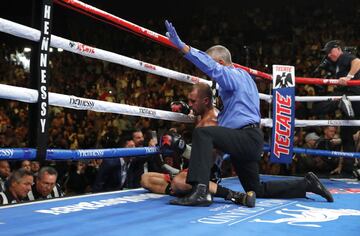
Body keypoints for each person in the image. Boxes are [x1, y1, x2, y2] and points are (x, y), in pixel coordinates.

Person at [164, 20, 334, 206]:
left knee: (203, 133)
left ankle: (200, 191)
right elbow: (229, 113)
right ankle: (306, 184)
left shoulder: (232, 75)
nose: (210, 74)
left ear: (221, 63)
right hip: (249, 139)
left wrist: (183, 47)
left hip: (244, 137)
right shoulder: (244, 78)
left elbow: (212, 68)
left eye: (215, 66)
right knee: (256, 189)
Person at [141, 83, 256, 207]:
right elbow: (194, 113)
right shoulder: (203, 113)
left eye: (192, 101)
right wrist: (185, 110)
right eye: (189, 101)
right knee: (145, 179)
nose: (190, 104)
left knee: (178, 182)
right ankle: (184, 189)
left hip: (207, 173)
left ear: (205, 101)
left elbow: (206, 160)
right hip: (190, 170)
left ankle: (235, 195)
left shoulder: (212, 124)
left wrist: (182, 149)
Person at [315, 40, 360, 175]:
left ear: (338, 49)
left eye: (330, 51)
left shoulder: (344, 56)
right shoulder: (335, 63)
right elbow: (322, 68)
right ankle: (348, 169)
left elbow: (358, 62)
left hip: (352, 94)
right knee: (346, 135)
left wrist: (348, 77)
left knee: (320, 106)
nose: (328, 55)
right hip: (350, 100)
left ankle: (341, 102)